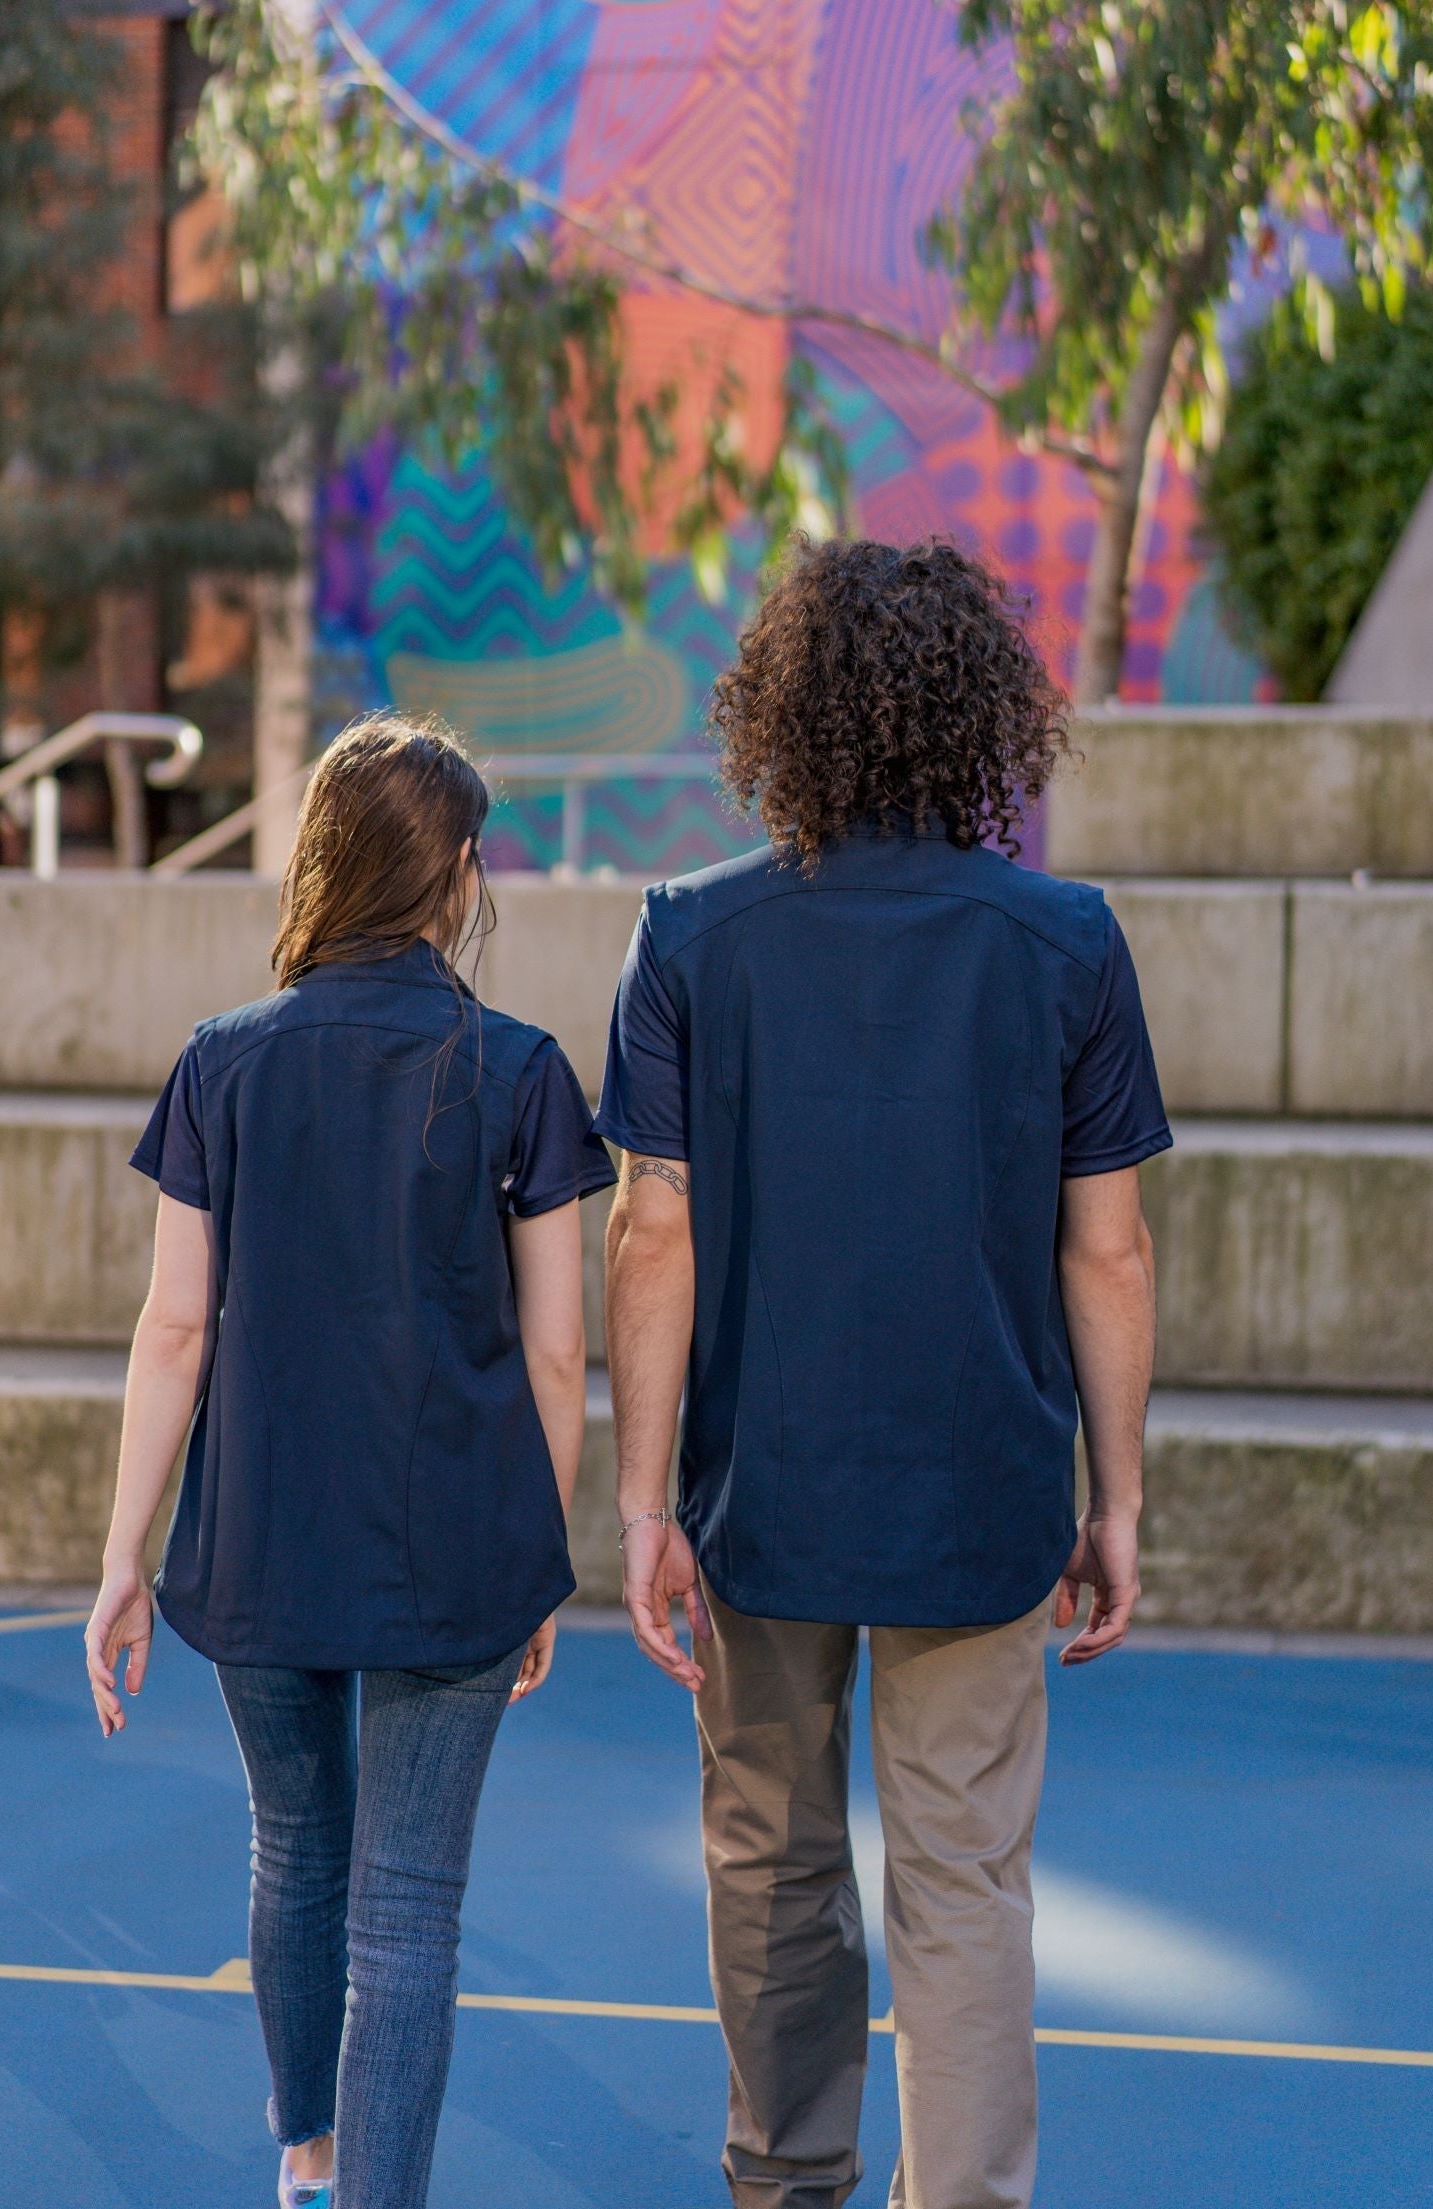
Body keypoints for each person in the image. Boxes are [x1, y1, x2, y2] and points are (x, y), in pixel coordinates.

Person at [596, 536, 1170, 2209]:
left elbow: (651, 1233)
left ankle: (784, 2181)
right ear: (979, 719)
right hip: (981, 1486)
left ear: (782, 715)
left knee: (768, 1864)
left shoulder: (685, 937)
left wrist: (639, 1503)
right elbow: (1108, 1252)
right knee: (963, 1877)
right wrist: (1117, 1499)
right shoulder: (1066, 941)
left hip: (756, 1486)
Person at [84, 714, 617, 2209]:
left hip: (259, 1531)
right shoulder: (518, 1068)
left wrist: (125, 1556)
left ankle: (307, 2156)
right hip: (454, 1541)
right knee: (407, 1914)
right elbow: (558, 1355)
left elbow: (173, 1328)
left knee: (295, 1850)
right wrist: (537, 1552)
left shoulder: (222, 1063)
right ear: (457, 871)